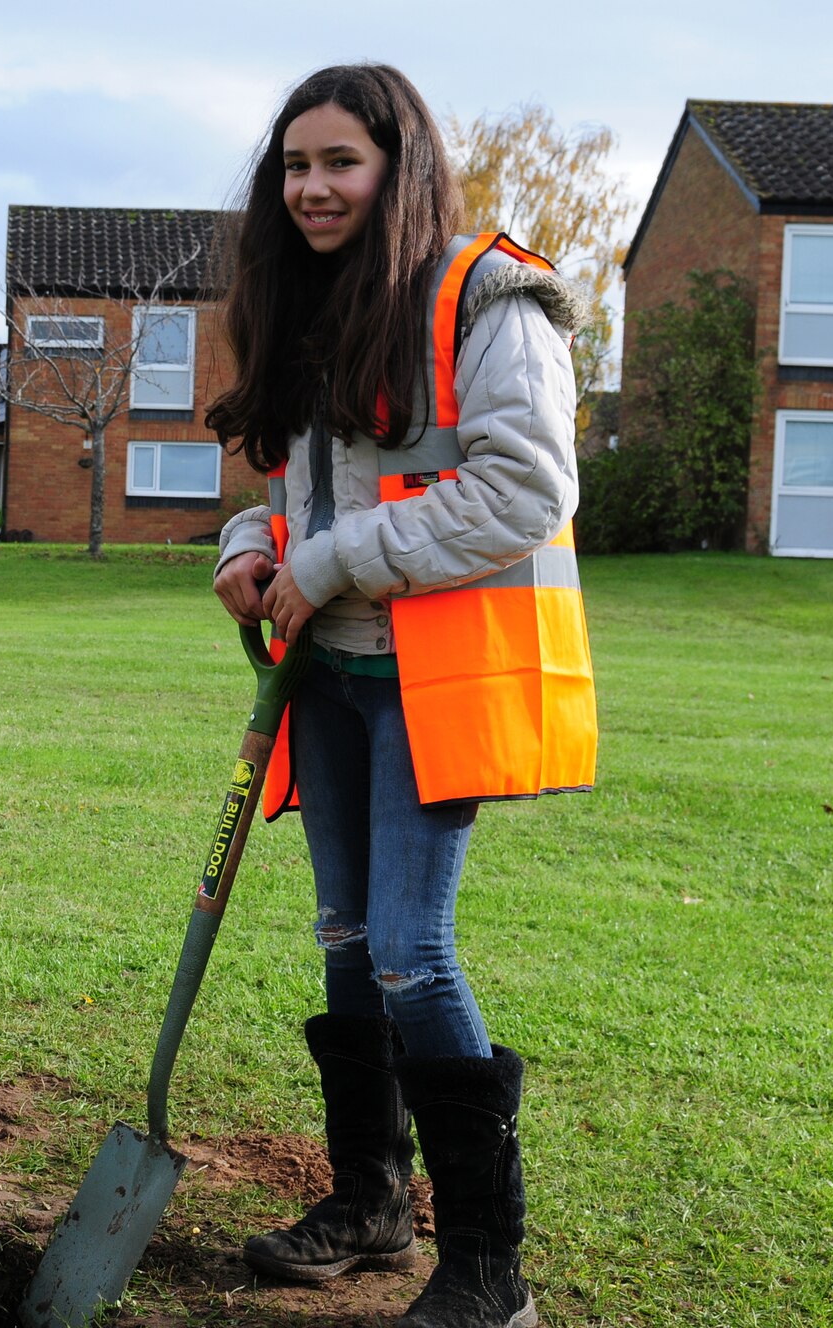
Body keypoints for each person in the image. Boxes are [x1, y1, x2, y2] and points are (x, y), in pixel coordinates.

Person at [206, 64, 597, 1328]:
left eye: (339, 163)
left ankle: (489, 1267)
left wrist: (322, 562)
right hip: (324, 674)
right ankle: (369, 1201)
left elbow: (525, 490)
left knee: (407, 950)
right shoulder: (304, 300)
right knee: (341, 940)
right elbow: (287, 482)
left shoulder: (487, 296)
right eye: (293, 165)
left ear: (398, 165)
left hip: (437, 677)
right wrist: (247, 545)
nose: (311, 187)